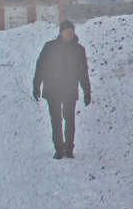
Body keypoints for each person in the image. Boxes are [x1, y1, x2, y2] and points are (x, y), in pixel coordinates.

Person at [32, 19, 92, 160]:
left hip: (70, 89)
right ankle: (59, 148)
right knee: (56, 120)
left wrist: (87, 92)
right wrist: (36, 86)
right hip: (53, 89)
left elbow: (83, 72)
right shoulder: (50, 47)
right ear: (61, 32)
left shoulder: (79, 50)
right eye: (67, 31)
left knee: (69, 119)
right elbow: (40, 67)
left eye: (71, 31)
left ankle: (69, 148)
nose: (69, 33)